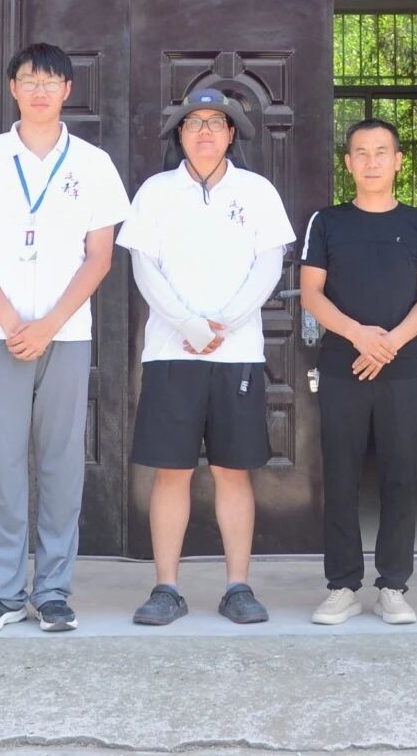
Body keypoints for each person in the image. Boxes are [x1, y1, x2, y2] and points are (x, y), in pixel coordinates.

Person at [0, 43, 131, 633]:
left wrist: (48, 325)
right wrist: (10, 322)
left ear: (68, 91)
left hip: (67, 335)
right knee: (2, 464)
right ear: (13, 88)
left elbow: (99, 256)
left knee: (60, 465)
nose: (40, 90)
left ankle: (53, 591)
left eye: (51, 81)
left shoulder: (94, 165)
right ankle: (3, 592)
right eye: (29, 80)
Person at [117, 87, 294, 626]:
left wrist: (226, 321)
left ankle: (238, 586)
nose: (205, 132)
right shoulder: (155, 192)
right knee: (171, 472)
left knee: (232, 471)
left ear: (232, 133)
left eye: (216, 122)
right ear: (181, 134)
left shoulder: (258, 192)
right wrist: (188, 324)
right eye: (194, 123)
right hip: (171, 353)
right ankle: (166, 588)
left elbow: (269, 265)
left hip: (236, 354)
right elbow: (144, 267)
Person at [299, 119, 417, 626]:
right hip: (343, 367)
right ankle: (342, 586)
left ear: (399, 161)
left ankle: (393, 586)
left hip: (401, 371)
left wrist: (389, 344)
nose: (372, 161)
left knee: (399, 477)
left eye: (382, 151)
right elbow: (312, 293)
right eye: (361, 152)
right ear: (348, 163)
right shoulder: (327, 222)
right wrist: (358, 335)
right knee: (340, 478)